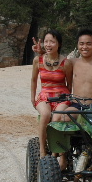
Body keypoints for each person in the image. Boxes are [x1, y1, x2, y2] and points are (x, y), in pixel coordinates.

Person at [30, 30, 73, 160]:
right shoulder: (38, 60)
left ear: (59, 44)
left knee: (57, 118)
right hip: (45, 95)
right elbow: (33, 80)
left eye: (52, 42)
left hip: (62, 96)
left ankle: (57, 152)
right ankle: (43, 150)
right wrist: (33, 97)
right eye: (46, 41)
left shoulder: (66, 63)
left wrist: (67, 98)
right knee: (45, 114)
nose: (48, 44)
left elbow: (69, 84)